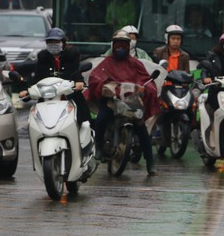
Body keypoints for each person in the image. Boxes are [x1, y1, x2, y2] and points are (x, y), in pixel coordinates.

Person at [86, 30, 160, 175]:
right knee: (100, 119)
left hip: (131, 102)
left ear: (128, 46)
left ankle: (150, 161)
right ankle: (99, 147)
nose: (121, 48)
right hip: (111, 101)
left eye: (124, 45)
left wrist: (145, 88)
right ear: (113, 46)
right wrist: (105, 86)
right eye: (118, 45)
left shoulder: (135, 63)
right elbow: (95, 78)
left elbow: (146, 80)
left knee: (141, 128)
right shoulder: (106, 63)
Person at [19, 28, 91, 125]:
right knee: (37, 121)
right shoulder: (43, 58)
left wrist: (79, 82)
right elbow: (37, 78)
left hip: (69, 95)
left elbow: (76, 71)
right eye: (50, 42)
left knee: (84, 120)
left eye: (56, 42)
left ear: (63, 42)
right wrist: (27, 91)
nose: (53, 44)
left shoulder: (72, 55)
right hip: (47, 98)